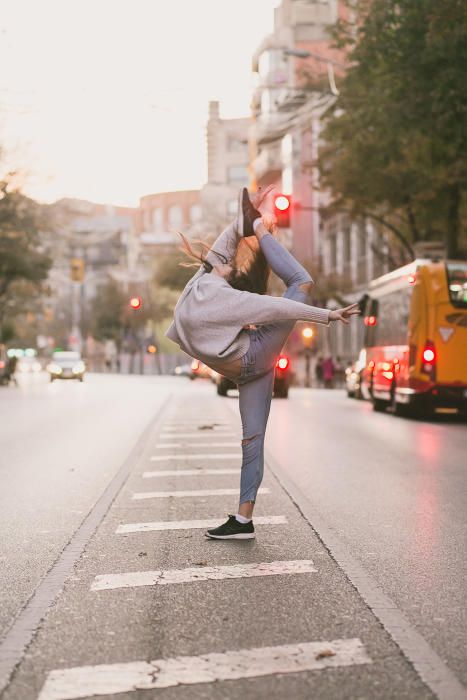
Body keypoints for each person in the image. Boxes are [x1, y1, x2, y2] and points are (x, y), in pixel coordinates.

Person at [166, 188, 360, 540]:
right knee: (300, 282)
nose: (228, 260)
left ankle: (243, 521)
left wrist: (246, 217)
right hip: (254, 359)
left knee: (251, 440)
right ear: (224, 274)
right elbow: (277, 304)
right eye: (227, 263)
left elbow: (220, 254)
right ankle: (243, 521)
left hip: (244, 364)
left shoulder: (200, 286)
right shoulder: (224, 296)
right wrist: (327, 315)